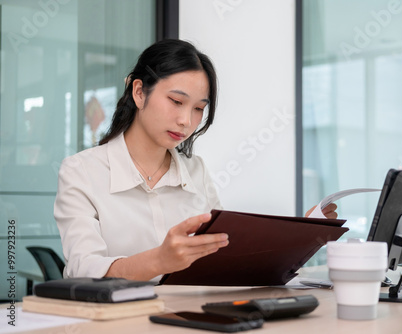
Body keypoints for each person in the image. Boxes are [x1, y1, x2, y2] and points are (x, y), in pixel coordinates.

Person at [54, 39, 337, 282]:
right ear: (139, 92)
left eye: (198, 108)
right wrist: (158, 261)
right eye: (176, 101)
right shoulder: (81, 172)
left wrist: (298, 237)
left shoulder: (195, 171)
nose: (186, 120)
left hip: (190, 318)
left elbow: (226, 256)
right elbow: (82, 268)